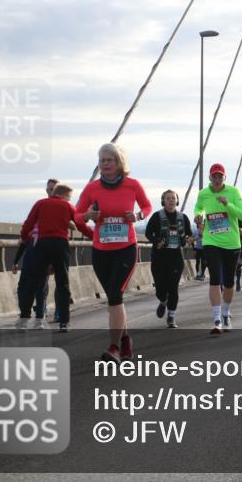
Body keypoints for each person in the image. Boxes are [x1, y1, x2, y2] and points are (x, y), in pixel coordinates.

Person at [75, 143, 152, 361]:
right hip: (101, 249)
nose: (105, 164)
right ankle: (126, 339)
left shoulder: (132, 185)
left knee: (115, 295)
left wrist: (137, 216)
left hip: (125, 248)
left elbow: (147, 207)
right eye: (101, 160)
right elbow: (77, 215)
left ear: (119, 163)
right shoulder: (92, 188)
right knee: (113, 299)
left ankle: (114, 347)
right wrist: (89, 214)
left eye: (109, 160)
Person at [15, 184, 92, 330]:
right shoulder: (67, 206)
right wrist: (95, 236)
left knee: (34, 282)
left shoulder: (40, 203)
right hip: (60, 244)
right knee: (63, 283)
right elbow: (81, 225)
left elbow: (28, 224)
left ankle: (24, 320)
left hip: (42, 245)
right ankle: (64, 322)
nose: (69, 199)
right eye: (69, 197)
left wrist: (25, 237)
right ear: (64, 195)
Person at [193, 163, 242, 334]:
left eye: (220, 176)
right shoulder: (204, 193)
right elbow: (198, 207)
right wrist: (198, 215)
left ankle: (226, 313)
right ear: (210, 178)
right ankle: (216, 319)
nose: (217, 179)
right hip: (211, 240)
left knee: (229, 282)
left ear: (225, 178)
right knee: (215, 278)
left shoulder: (233, 192)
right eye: (214, 176)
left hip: (231, 242)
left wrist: (227, 205)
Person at [144, 189, 193, 328]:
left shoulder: (183, 217)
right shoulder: (156, 216)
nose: (171, 200)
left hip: (176, 257)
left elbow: (189, 234)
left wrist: (189, 239)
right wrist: (156, 240)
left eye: (173, 198)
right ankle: (163, 301)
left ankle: (171, 316)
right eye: (168, 198)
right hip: (159, 257)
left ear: (177, 201)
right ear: (163, 201)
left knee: (173, 287)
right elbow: (148, 233)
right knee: (160, 288)